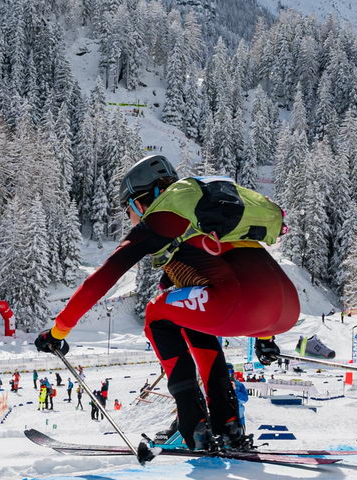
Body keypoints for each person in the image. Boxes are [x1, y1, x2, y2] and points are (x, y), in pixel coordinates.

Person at [39, 155, 295, 453]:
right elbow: (254, 279)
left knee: (156, 314)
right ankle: (227, 425)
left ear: (140, 202)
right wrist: (265, 337)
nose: (131, 220)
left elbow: (102, 278)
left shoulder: (163, 218)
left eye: (128, 211)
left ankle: (193, 424)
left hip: (238, 304)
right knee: (185, 315)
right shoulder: (204, 225)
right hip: (285, 309)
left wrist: (58, 332)